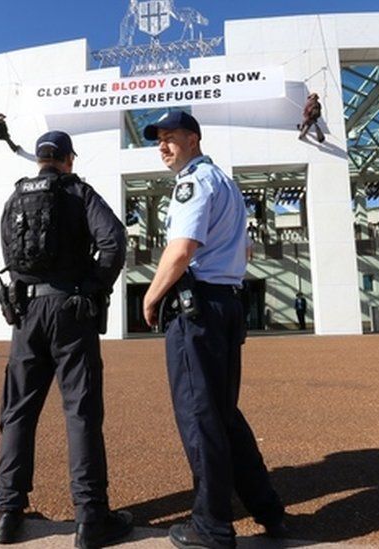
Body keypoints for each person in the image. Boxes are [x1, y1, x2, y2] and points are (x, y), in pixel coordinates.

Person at [141, 111, 287, 549]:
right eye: (159, 140)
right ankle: (267, 509)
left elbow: (182, 249)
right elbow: (243, 247)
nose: (163, 146)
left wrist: (150, 297)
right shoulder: (224, 182)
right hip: (226, 303)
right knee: (224, 414)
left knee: (199, 414)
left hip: (198, 307)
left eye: (171, 137)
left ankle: (211, 526)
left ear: (194, 138)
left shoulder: (192, 182)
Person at [0, 130, 133, 548]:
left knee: (17, 411)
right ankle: (90, 520)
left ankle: (8, 513)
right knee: (81, 412)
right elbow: (114, 240)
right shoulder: (78, 192)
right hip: (71, 312)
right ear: (68, 159)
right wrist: (92, 288)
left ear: (39, 159)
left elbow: (9, 253)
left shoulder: (14, 198)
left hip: (26, 316)